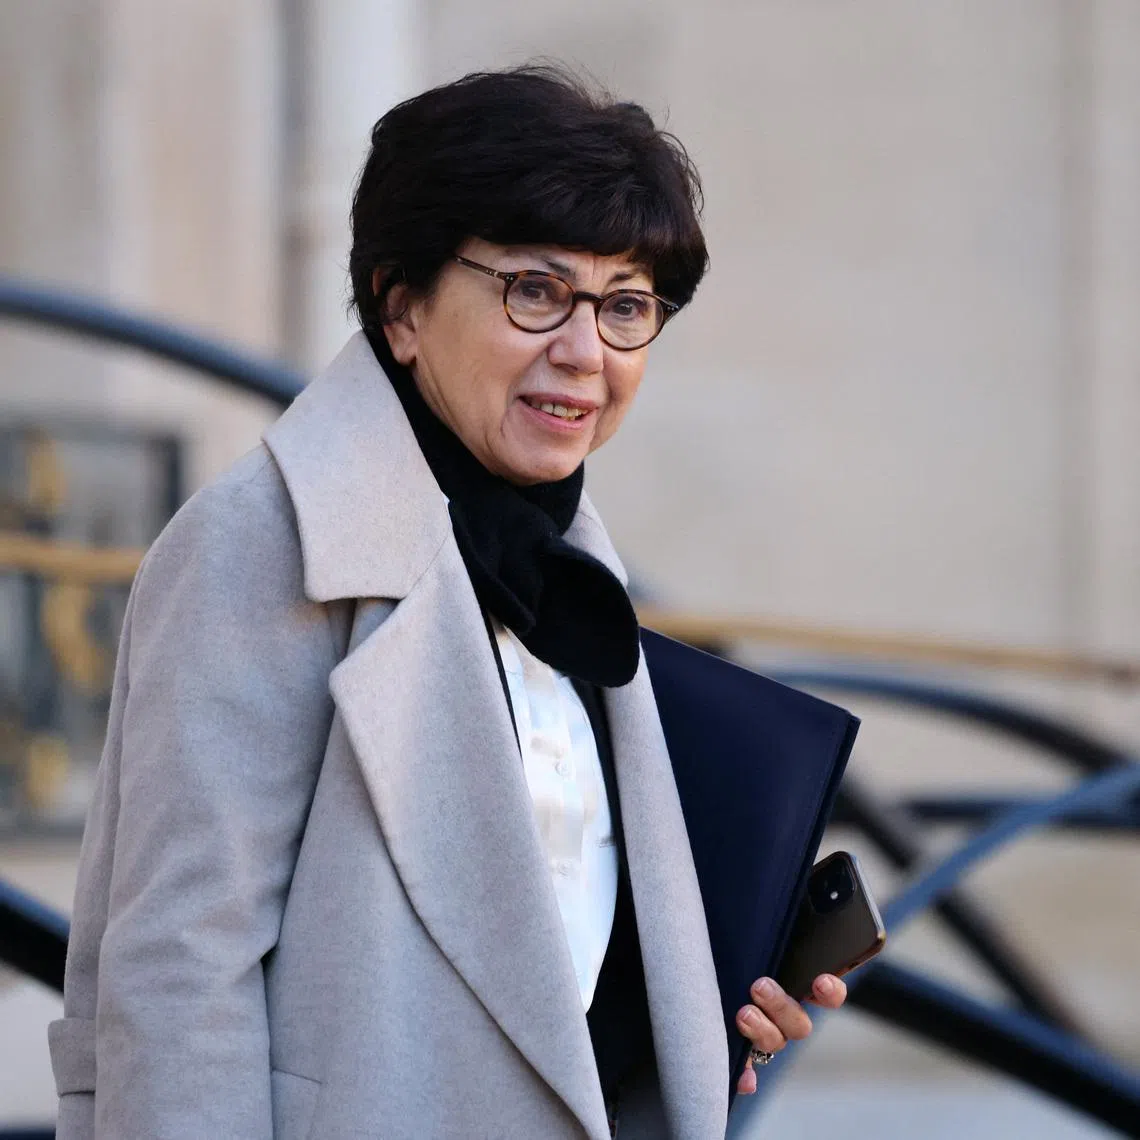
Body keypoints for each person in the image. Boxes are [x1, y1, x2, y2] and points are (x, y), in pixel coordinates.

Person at [49, 66, 847, 1139]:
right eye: (535, 291)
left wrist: (687, 1014)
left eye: (625, 306)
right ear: (403, 306)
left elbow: (535, 980)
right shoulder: (264, 543)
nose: (585, 353)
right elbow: (176, 981)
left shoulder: (572, 563)